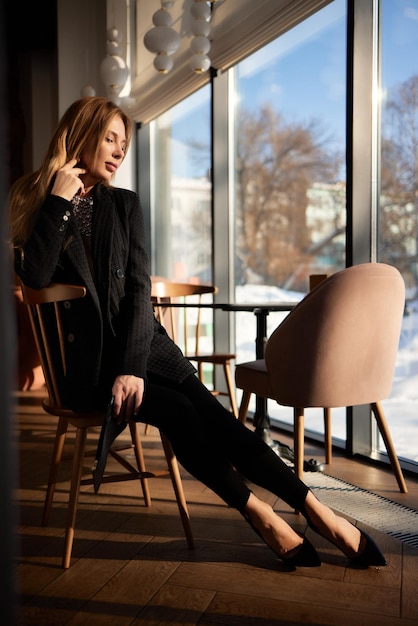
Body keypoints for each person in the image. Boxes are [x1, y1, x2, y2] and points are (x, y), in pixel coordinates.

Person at [9, 95, 386, 569]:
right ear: (79, 134)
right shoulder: (34, 198)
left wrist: (131, 367)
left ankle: (316, 511)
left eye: (123, 144)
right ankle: (258, 513)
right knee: (182, 412)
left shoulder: (124, 205)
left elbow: (138, 294)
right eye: (109, 138)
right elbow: (36, 276)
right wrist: (60, 200)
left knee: (219, 418)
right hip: (85, 370)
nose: (118, 151)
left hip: (142, 351)